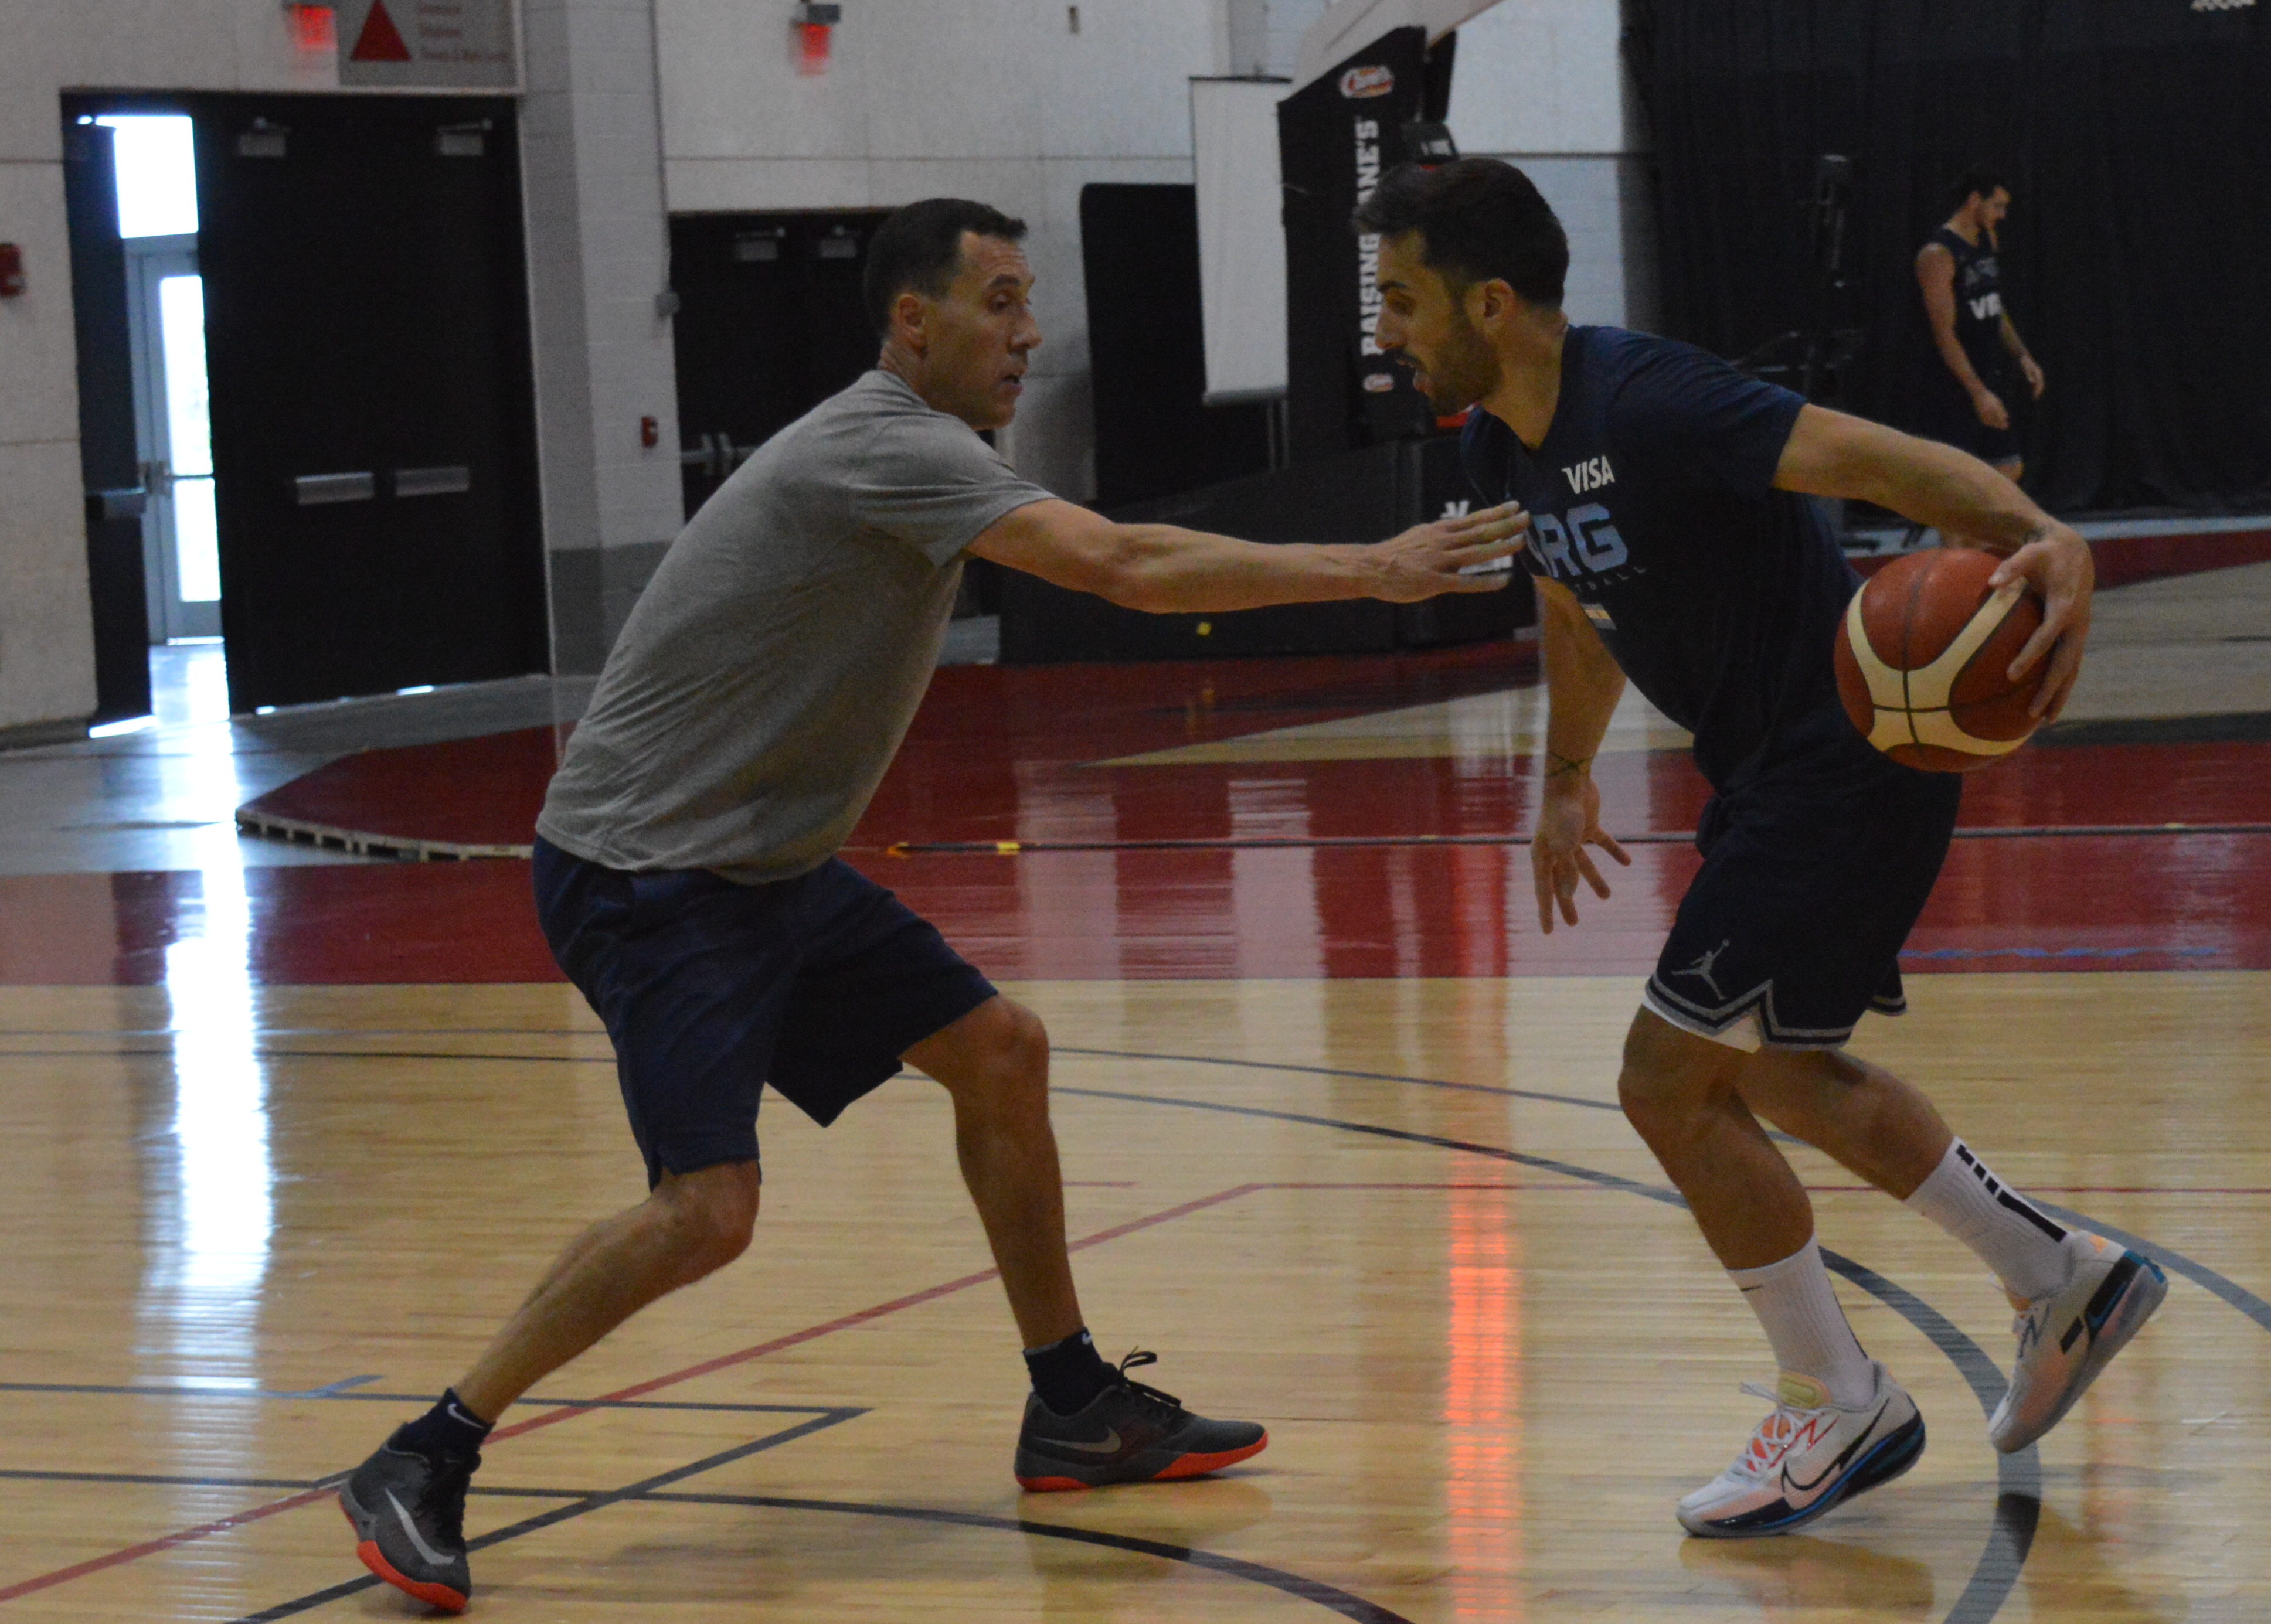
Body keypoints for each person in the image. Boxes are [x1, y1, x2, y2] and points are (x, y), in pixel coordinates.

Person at [335, 198, 1528, 1613]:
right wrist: (1368, 568)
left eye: (1031, 303)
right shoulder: (887, 444)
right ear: (916, 322)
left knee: (1000, 1051)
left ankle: (1074, 1403)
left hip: (761, 865)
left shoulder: (928, 451)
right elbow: (1125, 567)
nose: (1029, 333)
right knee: (708, 1210)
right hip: (652, 871)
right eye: (1002, 301)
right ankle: (423, 1453)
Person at [1358, 158, 2165, 1540]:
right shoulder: (1501, 445)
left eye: (1401, 298)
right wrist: (1561, 781)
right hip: (1772, 776)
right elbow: (1572, 602)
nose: (1385, 330)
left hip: (1844, 759)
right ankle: (2062, 1273)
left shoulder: (1654, 398)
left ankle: (1836, 1394)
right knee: (1788, 1071)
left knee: (1663, 1081)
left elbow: (1872, 456)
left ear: (1491, 301)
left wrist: (2041, 532)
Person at [1916, 168, 2045, 487]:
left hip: (1987, 371)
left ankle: (1969, 536)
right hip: (1951, 381)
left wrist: (2022, 355)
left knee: (2009, 467)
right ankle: (1954, 536)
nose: (2002, 215)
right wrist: (1978, 394)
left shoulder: (1987, 239)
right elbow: (1944, 333)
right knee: (1955, 478)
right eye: (1997, 205)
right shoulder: (1938, 254)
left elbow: (1993, 306)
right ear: (1975, 200)